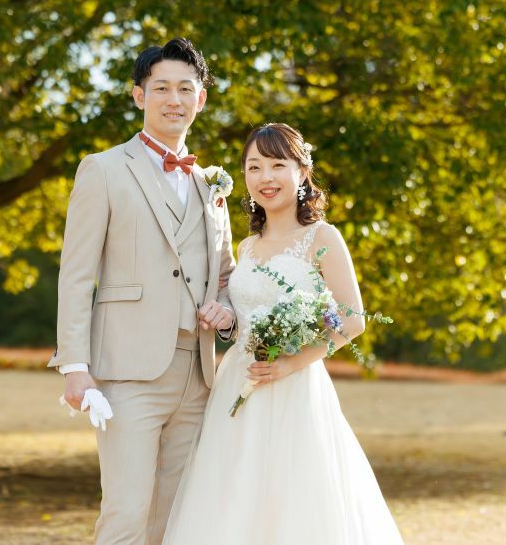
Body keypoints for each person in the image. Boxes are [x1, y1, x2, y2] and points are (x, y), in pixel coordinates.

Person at [162, 122, 405, 544]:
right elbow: (245, 314)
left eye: (278, 165)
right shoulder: (246, 246)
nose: (266, 177)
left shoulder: (322, 237)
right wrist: (225, 316)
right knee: (233, 497)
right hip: (238, 384)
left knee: (295, 500)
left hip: (295, 388)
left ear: (301, 172)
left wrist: (292, 363)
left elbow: (352, 320)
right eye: (254, 167)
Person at [48, 37, 237, 545]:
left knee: (176, 520)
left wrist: (227, 313)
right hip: (127, 372)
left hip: (198, 374)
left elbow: (226, 276)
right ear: (139, 96)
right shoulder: (103, 169)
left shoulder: (212, 184)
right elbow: (76, 275)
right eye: (161, 88)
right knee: (127, 515)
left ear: (201, 99)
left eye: (185, 89)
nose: (174, 99)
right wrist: (74, 366)